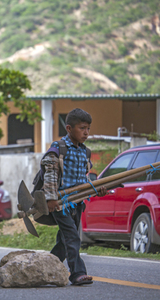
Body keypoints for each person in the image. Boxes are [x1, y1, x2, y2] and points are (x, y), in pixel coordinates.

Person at [42, 108, 107, 286]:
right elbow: (50, 174)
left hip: (76, 203)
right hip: (60, 203)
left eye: (88, 129)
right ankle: (77, 273)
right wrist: (51, 198)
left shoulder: (85, 152)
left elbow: (84, 179)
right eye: (82, 128)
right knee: (72, 237)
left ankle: (44, 268)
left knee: (64, 241)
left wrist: (96, 189)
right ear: (69, 128)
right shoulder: (59, 148)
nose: (86, 133)